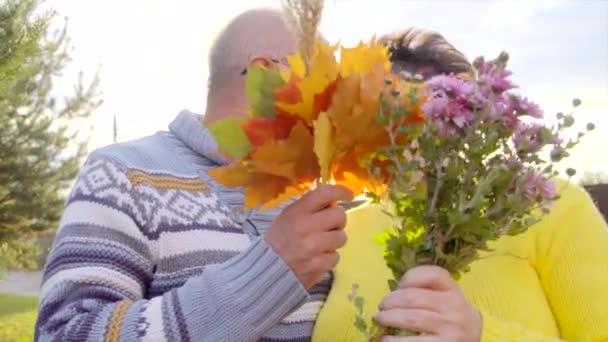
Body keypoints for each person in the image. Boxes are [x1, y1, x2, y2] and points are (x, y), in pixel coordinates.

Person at [35, 8, 354, 342]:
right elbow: (64, 335)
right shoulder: (124, 175)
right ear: (265, 74)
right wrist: (269, 274)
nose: (335, 99)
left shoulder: (314, 200)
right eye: (324, 78)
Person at [312, 28, 608, 341]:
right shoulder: (338, 232)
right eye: (385, 109)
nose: (412, 127)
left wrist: (481, 335)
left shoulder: (546, 205)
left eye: (429, 107)